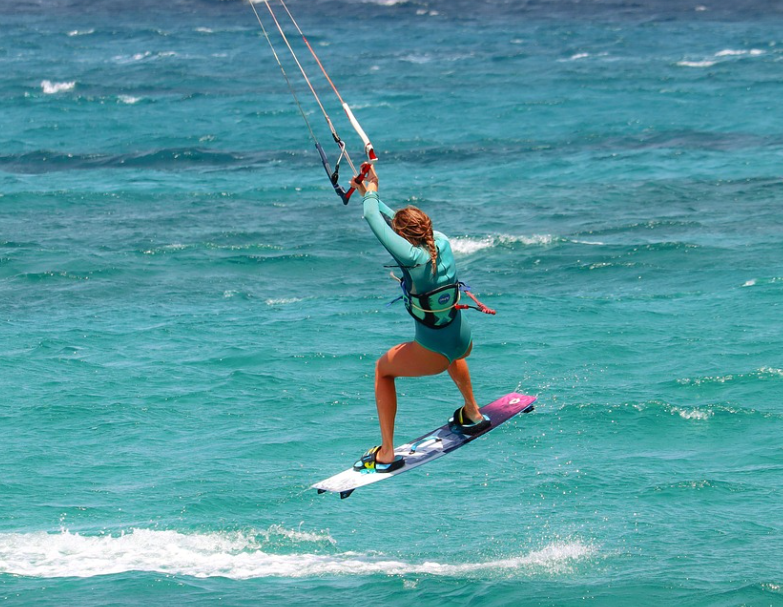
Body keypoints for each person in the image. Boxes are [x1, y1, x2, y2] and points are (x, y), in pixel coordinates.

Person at [350, 165, 490, 473]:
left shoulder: (412, 259)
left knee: (382, 370)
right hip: (463, 341)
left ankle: (386, 453)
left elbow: (376, 222)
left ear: (404, 240)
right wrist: (368, 193)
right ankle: (473, 413)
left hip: (434, 355)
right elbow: (393, 224)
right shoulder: (440, 241)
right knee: (449, 342)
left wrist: (370, 195)